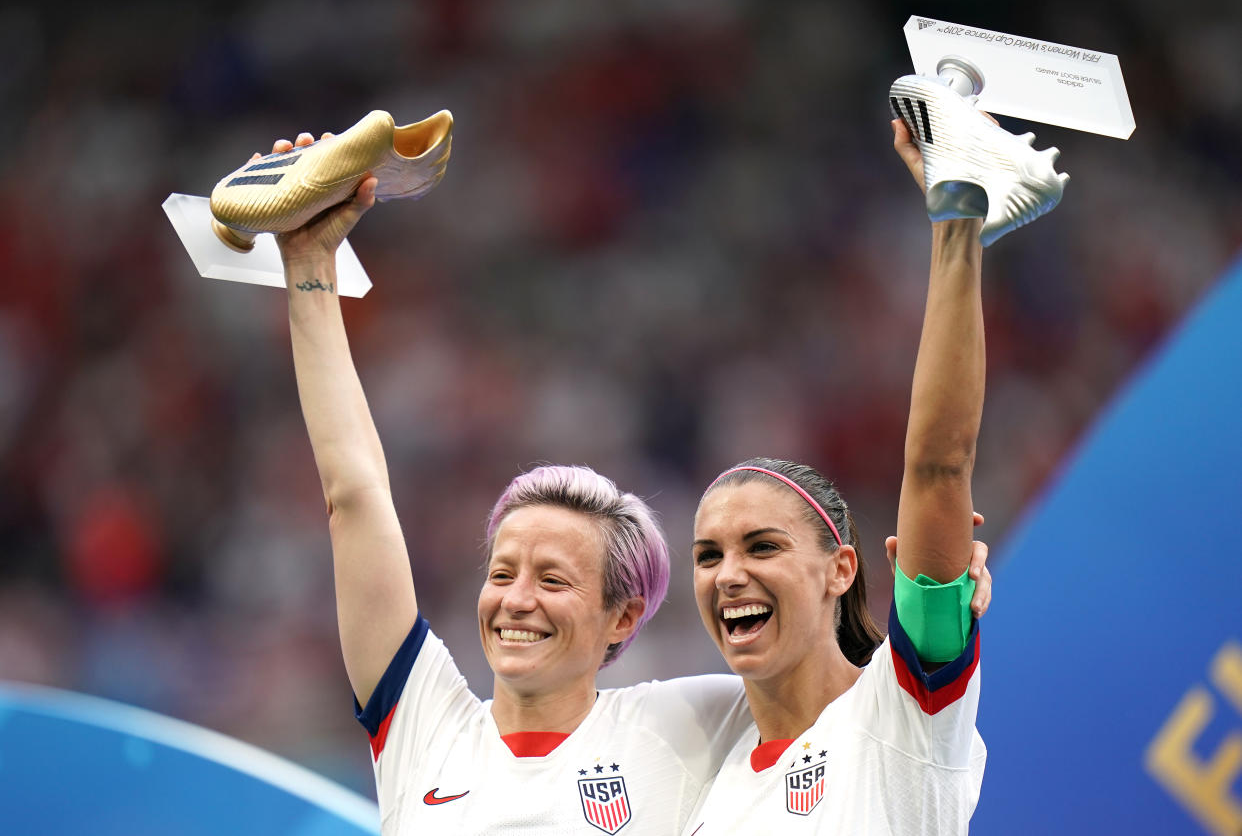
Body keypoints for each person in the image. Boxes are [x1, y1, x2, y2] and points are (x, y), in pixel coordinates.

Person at [262, 105, 998, 832]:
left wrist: (938, 593)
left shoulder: (682, 728)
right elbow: (354, 496)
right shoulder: (426, 729)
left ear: (624, 617)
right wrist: (307, 268)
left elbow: (836, 658)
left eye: (553, 579)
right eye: (502, 572)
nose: (517, 599)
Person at [680, 79, 1065, 834]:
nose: (729, 575)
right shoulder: (708, 776)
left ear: (843, 569)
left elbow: (939, 464)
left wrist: (957, 219)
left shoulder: (906, 708)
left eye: (762, 545)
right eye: (707, 555)